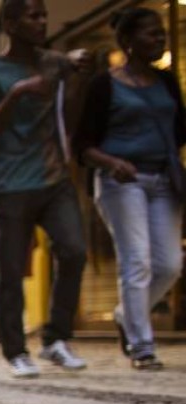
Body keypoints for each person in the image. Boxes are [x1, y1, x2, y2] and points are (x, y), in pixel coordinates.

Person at [0, 0, 94, 379]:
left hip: (55, 179)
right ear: (10, 24)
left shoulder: (54, 63)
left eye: (43, 15)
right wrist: (18, 93)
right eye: (32, 16)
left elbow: (71, 111)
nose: (42, 22)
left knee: (74, 251)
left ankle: (55, 338)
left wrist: (77, 70)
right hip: (10, 184)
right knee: (9, 270)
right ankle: (15, 351)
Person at [75, 8, 185, 371]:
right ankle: (142, 346)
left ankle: (126, 314)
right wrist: (112, 163)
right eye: (151, 34)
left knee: (169, 264)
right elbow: (82, 145)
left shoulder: (167, 82)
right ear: (128, 42)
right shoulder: (104, 85)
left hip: (164, 180)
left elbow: (179, 131)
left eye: (161, 35)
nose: (159, 39)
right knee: (136, 260)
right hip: (121, 183)